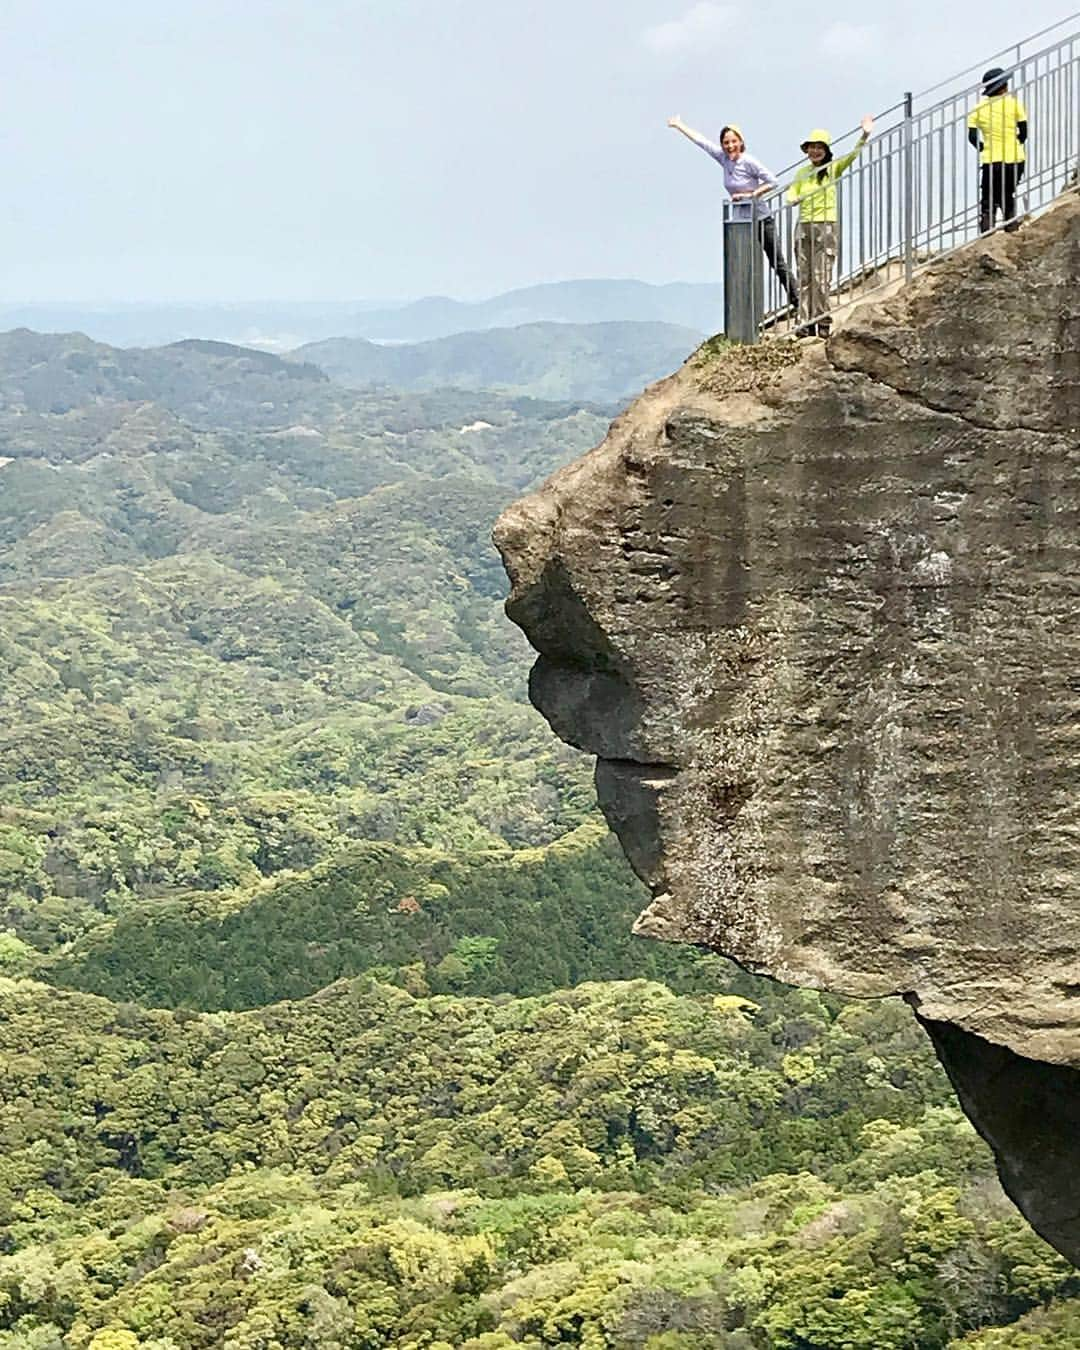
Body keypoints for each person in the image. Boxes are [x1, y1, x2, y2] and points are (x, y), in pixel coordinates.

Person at [668, 116, 796, 307]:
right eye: (726, 142)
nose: (730, 146)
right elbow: (701, 142)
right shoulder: (723, 159)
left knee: (777, 262)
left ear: (741, 142)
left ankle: (797, 300)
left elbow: (772, 181)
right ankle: (746, 312)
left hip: (761, 218)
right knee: (742, 265)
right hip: (741, 222)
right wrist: (679, 125)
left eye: (733, 141)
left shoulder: (748, 161)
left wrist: (750, 194)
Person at [786, 117, 874, 337]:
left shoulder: (833, 168)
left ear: (826, 150)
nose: (815, 151)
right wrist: (794, 199)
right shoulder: (802, 173)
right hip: (804, 225)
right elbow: (791, 194)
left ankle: (822, 320)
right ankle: (805, 322)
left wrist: (864, 135)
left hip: (826, 225)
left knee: (821, 275)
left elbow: (852, 157)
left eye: (819, 147)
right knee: (805, 276)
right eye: (811, 147)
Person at [968, 67, 1028, 234]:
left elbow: (972, 137)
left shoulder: (978, 108)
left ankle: (988, 229)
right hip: (1015, 158)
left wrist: (982, 147)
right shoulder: (1014, 104)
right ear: (1003, 87)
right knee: (1007, 192)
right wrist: (1018, 141)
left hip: (991, 159)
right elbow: (1024, 132)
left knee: (988, 197)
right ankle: (1011, 226)